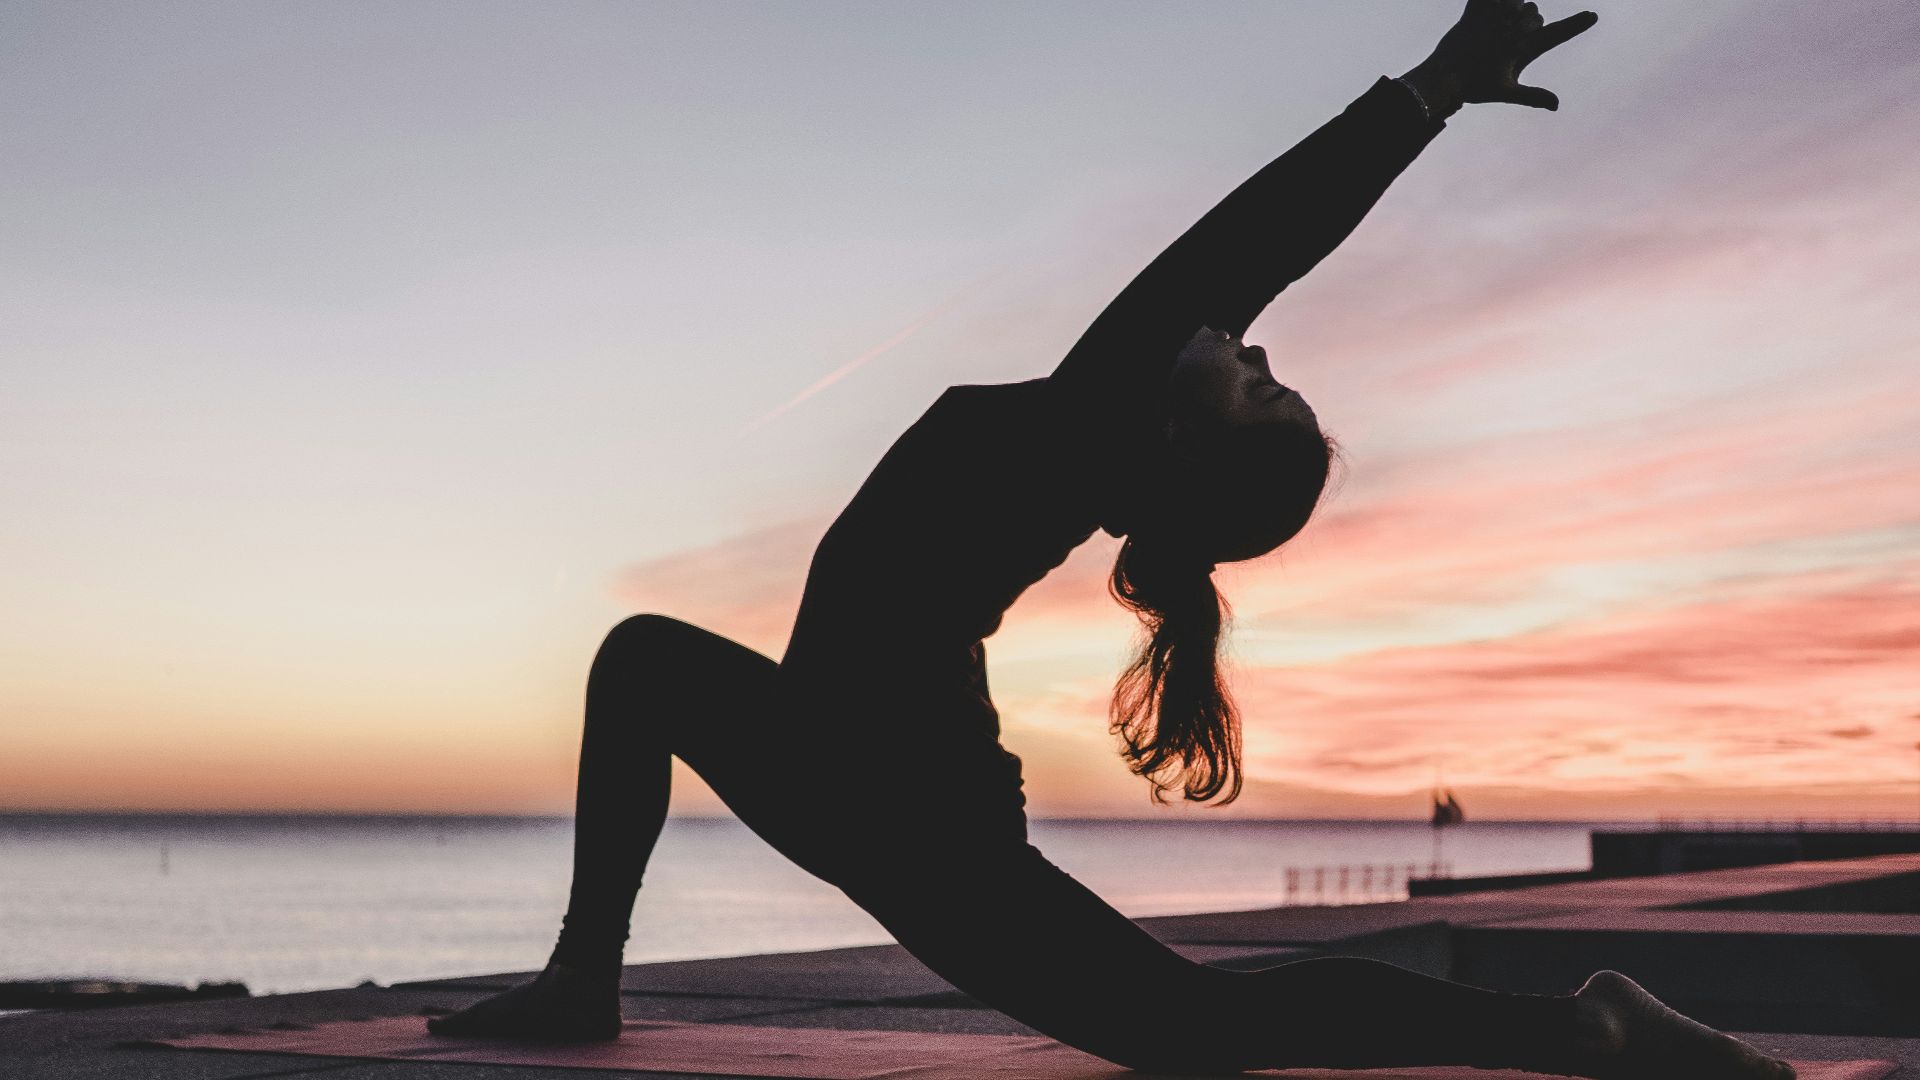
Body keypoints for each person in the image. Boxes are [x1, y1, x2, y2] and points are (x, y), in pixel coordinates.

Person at [430, 4, 1795, 1077]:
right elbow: (1246, 267)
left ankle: (1579, 1029)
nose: (1249, 342)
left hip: (907, 811)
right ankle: (585, 979)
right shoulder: (1091, 439)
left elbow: (1258, 237)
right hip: (841, 762)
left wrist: (1433, 89)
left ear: (1190, 448)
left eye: (1259, 382)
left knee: (1191, 1032)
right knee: (644, 662)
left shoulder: (1097, 423)